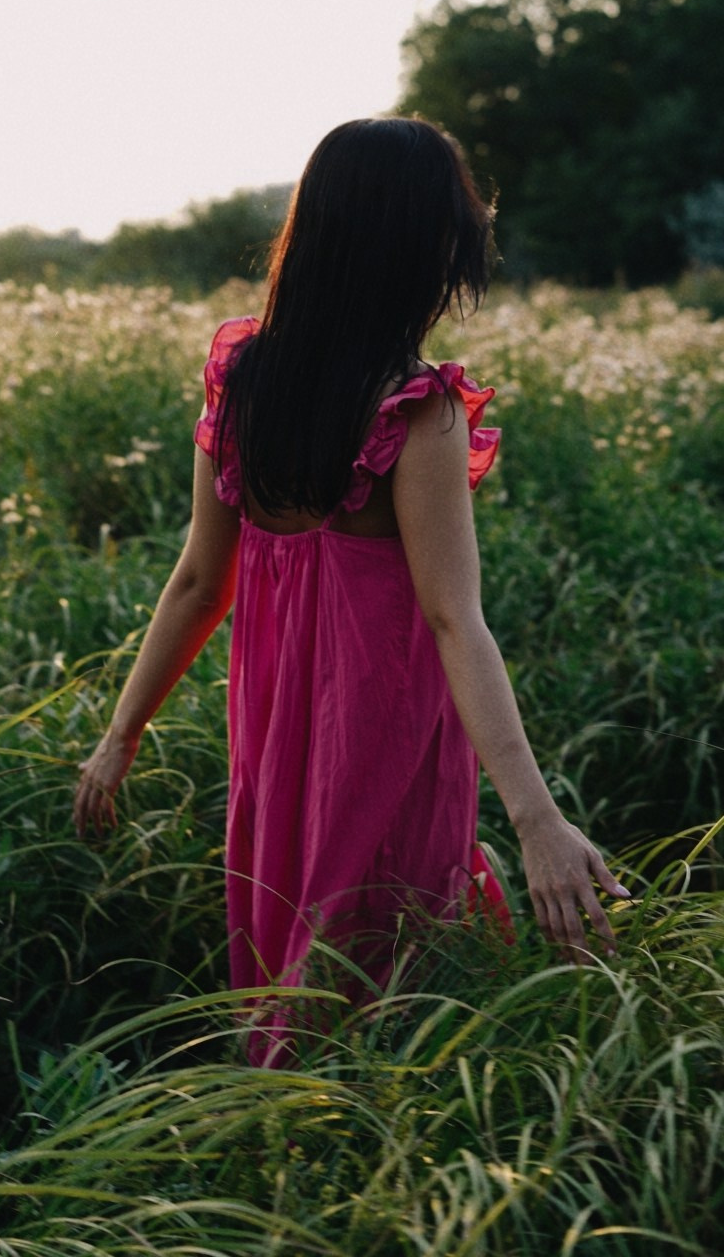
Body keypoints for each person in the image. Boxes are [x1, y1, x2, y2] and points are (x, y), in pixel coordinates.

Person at [73, 116, 627, 1057]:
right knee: (394, 992)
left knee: (293, 967)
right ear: (418, 246)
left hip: (273, 743)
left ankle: (286, 1161)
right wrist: (538, 820)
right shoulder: (416, 410)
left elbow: (201, 584)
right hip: (383, 744)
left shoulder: (245, 379)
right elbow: (457, 622)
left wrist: (118, 739)